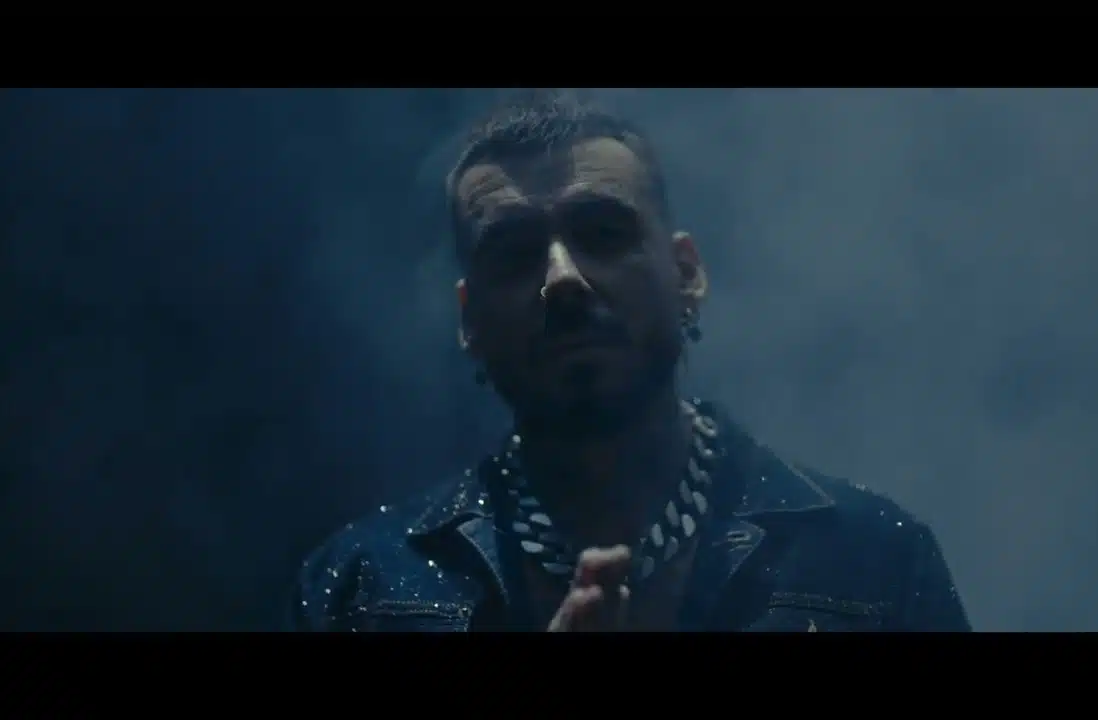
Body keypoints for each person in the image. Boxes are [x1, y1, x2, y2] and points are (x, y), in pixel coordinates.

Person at [288, 91, 970, 632]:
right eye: (516, 255)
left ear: (686, 275)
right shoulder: (364, 586)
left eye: (603, 234)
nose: (562, 278)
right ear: (470, 320)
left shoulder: (870, 563)